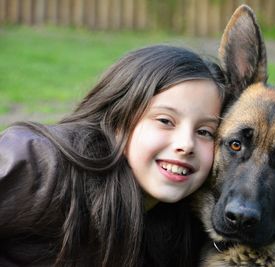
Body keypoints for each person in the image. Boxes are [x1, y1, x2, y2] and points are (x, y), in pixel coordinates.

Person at [0, 45, 225, 266]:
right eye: (165, 121)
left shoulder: (189, 227)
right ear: (118, 119)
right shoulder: (39, 162)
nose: (186, 144)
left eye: (205, 132)